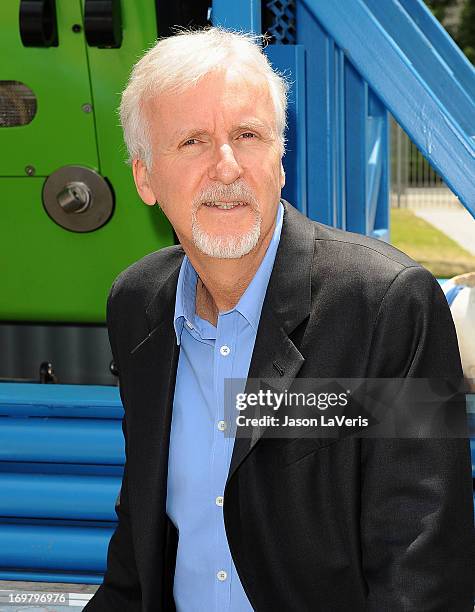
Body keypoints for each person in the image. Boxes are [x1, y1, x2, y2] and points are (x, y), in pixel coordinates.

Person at [84, 28, 473, 612]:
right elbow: (141, 546)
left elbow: (419, 577)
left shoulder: (390, 306)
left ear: (280, 159)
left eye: (248, 135)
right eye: (192, 141)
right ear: (144, 176)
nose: (227, 166)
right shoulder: (137, 305)